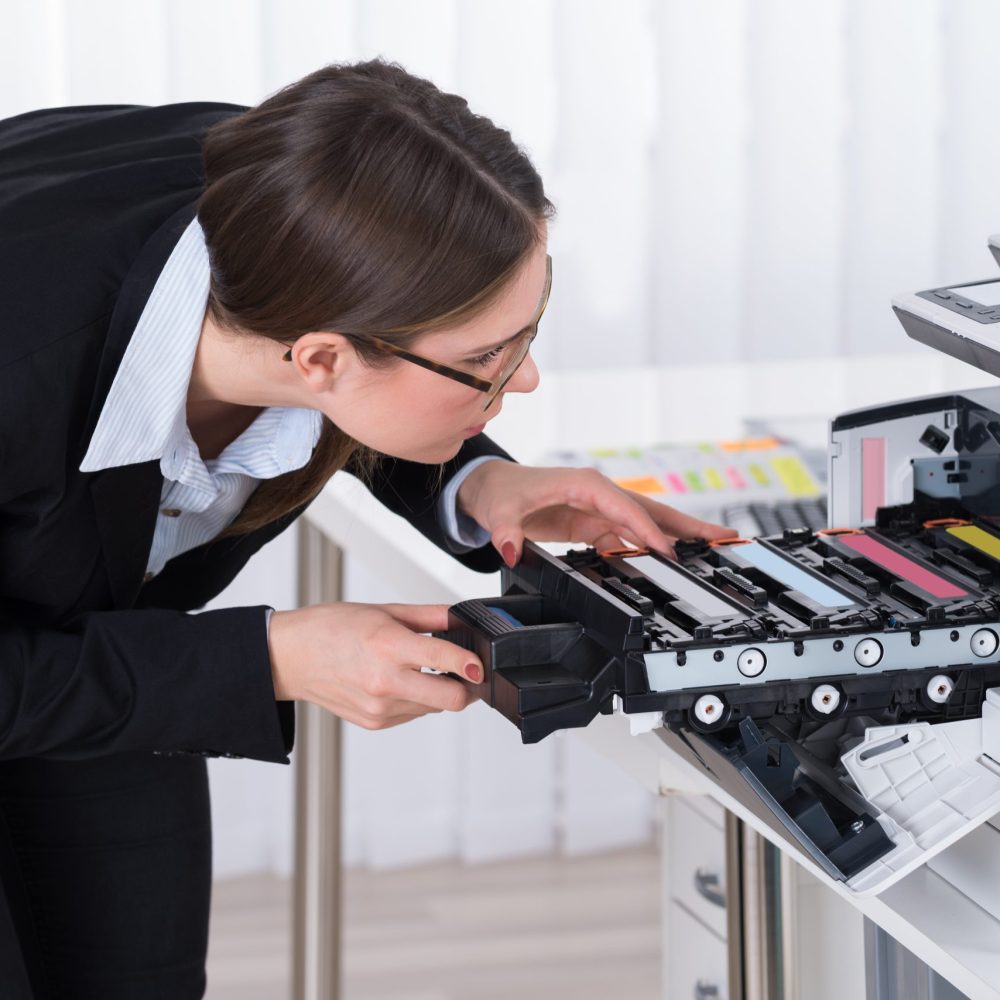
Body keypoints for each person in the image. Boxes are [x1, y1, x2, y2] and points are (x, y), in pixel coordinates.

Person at [0, 59, 732, 997]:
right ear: (318, 358)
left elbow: (371, 369)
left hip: (96, 652)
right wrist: (265, 662)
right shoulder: (21, 360)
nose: (528, 382)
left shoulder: (301, 207)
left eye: (526, 332)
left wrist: (478, 477)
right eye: (488, 360)